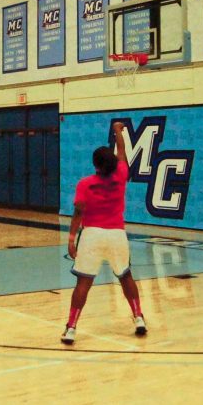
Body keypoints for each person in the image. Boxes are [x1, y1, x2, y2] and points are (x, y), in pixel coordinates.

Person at [61, 122, 147, 345]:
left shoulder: (85, 184)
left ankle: (71, 328)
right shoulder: (120, 175)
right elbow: (122, 151)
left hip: (92, 235)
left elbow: (78, 213)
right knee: (126, 276)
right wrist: (119, 131)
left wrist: (71, 239)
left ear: (95, 165)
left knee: (83, 283)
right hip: (116, 234)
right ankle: (138, 317)